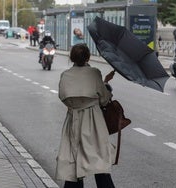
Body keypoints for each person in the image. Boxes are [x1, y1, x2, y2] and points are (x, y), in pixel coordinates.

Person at [55, 43, 116, 188]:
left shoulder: (65, 75)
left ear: (71, 58)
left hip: (73, 120)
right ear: (88, 57)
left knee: (74, 160)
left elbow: (63, 96)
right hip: (93, 122)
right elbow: (104, 99)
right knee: (99, 160)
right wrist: (106, 84)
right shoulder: (94, 73)